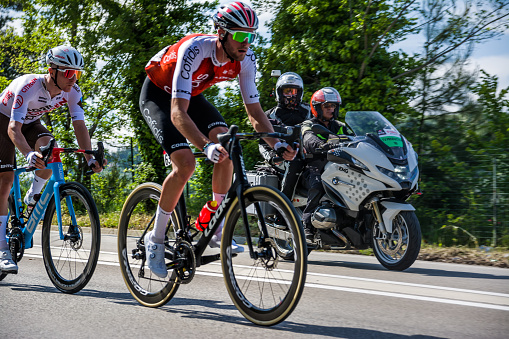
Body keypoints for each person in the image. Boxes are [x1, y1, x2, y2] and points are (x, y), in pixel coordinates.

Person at [139, 2, 297, 278]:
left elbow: (256, 113)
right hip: (159, 95)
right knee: (186, 164)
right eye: (241, 35)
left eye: (252, 36)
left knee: (228, 146)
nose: (247, 43)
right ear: (222, 33)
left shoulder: (245, 60)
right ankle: (156, 238)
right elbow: (177, 113)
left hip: (192, 96)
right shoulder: (195, 50)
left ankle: (214, 221)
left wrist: (278, 143)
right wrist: (205, 145)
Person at [0, 46, 105, 274]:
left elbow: (79, 125)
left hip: (30, 122)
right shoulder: (29, 87)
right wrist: (28, 154)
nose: (73, 78)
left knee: (51, 151)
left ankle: (32, 195)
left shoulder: (73, 91)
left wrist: (89, 157)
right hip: (4, 121)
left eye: (77, 73)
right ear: (52, 71)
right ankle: (1, 249)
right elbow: (13, 128)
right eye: (68, 73)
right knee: (5, 180)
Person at [301, 87, 349, 245]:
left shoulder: (340, 126)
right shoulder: (308, 124)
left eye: (333, 106)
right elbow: (308, 138)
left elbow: (354, 137)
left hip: (338, 165)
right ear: (317, 108)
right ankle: (306, 227)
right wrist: (322, 144)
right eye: (326, 106)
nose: (330, 109)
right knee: (318, 184)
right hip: (314, 166)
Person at [259, 72, 309, 200]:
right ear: (279, 92)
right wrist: (272, 157)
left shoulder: (309, 112)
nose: (292, 95)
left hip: (308, 154)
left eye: (295, 91)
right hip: (282, 157)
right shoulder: (270, 115)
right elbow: (262, 143)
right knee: (295, 162)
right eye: (287, 91)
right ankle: (282, 213)